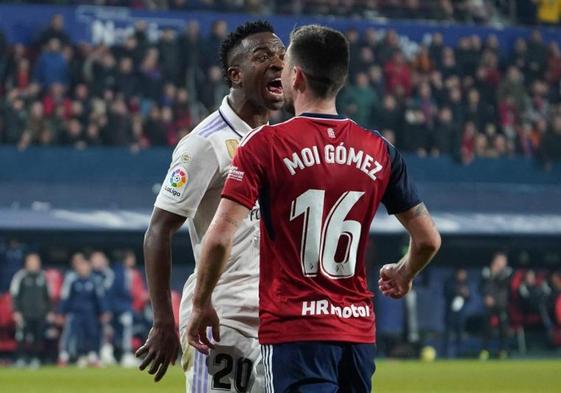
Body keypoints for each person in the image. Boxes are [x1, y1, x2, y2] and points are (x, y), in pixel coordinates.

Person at [187, 25, 441, 392]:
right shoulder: (379, 150)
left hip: (295, 333)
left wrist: (201, 302)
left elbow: (219, 237)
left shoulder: (266, 144)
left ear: (297, 76)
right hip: (356, 334)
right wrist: (404, 272)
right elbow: (428, 239)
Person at [136, 20, 285, 390]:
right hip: (222, 319)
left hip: (274, 319)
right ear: (236, 75)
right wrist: (163, 321)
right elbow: (158, 229)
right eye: (263, 56)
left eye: (282, 55)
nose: (279, 63)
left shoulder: (277, 143)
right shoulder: (205, 143)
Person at [58, 253, 109, 367]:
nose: (83, 268)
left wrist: (103, 311)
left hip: (90, 313)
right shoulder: (72, 280)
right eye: (81, 266)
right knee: (72, 334)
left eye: (85, 266)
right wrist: (61, 313)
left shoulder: (95, 281)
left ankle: (92, 355)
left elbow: (100, 298)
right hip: (75, 313)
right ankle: (65, 356)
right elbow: (65, 298)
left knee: (92, 334)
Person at [10, 253, 52, 368]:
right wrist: (16, 311)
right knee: (22, 337)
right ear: (26, 263)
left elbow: (48, 296)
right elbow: (14, 295)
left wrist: (49, 311)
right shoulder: (20, 276)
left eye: (36, 261)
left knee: (38, 337)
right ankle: (21, 359)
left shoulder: (43, 276)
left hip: (39, 313)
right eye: (31, 261)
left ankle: (35, 359)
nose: (34, 264)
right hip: (24, 313)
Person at [479, 252, 512, 360]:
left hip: (501, 304)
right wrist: (487, 296)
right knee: (487, 328)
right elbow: (481, 287)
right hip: (489, 304)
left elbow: (503, 284)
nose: (500, 262)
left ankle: (503, 351)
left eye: (503, 260)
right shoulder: (486, 272)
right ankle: (485, 350)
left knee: (504, 329)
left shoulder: (507, 272)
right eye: (499, 260)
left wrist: (494, 274)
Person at [443, 268, 470, 358]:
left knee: (460, 336)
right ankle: (447, 355)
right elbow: (447, 293)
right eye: (461, 273)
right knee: (449, 336)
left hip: (461, 316)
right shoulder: (450, 283)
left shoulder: (466, 284)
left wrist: (466, 294)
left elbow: (469, 298)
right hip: (450, 314)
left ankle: (460, 355)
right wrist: (458, 291)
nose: (463, 276)